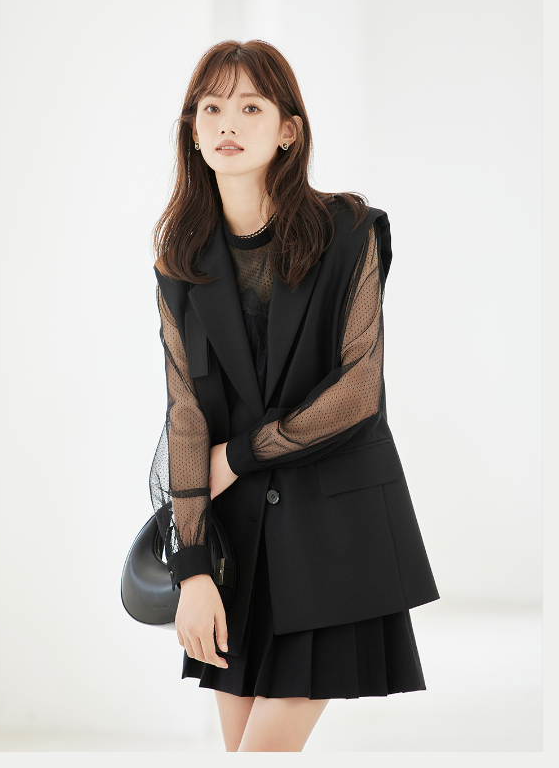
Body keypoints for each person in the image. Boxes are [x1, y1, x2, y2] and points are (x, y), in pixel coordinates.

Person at [150, 40, 440, 752]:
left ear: (288, 129)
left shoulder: (348, 230)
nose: (227, 122)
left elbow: (358, 390)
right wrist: (192, 569)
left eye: (251, 107)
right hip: (237, 550)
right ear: (192, 129)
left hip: (335, 534)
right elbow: (185, 414)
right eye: (211, 107)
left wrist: (239, 456)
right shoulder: (181, 261)